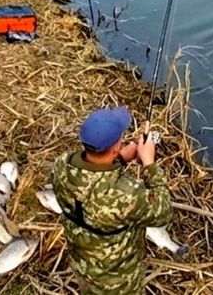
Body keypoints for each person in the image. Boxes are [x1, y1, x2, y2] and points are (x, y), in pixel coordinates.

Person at [52, 106, 172, 294]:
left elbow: (91, 182)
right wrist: (149, 163)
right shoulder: (127, 195)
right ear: (116, 146)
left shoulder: (61, 165)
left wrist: (120, 158)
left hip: (81, 264)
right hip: (117, 282)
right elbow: (163, 212)